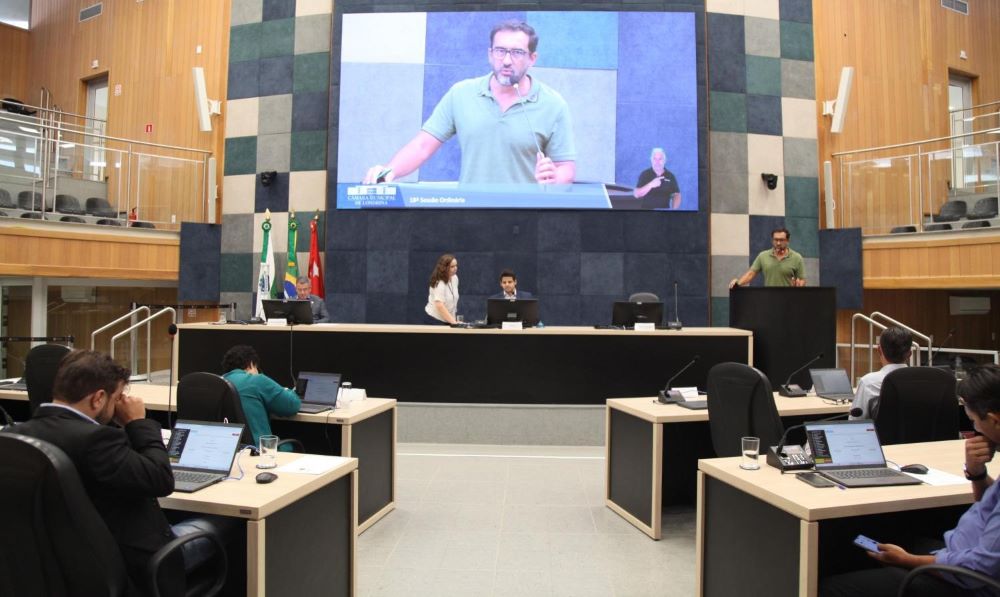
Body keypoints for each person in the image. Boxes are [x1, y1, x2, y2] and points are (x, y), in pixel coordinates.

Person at [4, 350, 225, 596]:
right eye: (117, 397)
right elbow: (161, 479)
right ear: (98, 398)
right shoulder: (97, 441)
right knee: (225, 523)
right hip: (134, 567)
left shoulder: (14, 437)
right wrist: (137, 423)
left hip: (53, 572)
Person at [820, 364, 1000, 597]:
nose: (974, 429)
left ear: (994, 421)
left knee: (828, 588)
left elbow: (979, 567)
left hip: (966, 582)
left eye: (974, 421)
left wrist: (907, 560)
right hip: (956, 552)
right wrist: (977, 473)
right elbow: (989, 505)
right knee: (872, 541)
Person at [363, 20, 576, 185]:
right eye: (500, 51)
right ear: (490, 54)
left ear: (532, 58)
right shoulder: (461, 94)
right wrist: (389, 171)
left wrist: (553, 178)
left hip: (526, 217)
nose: (507, 60)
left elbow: (566, 168)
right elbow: (422, 146)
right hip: (470, 214)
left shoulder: (553, 104)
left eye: (517, 52)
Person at [221, 345, 300, 450]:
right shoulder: (255, 380)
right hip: (259, 451)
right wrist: (286, 390)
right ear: (251, 364)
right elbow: (292, 405)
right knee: (293, 446)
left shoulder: (217, 383)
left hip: (227, 451)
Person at [850, 327, 912, 419]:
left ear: (879, 350)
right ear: (910, 354)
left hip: (881, 429)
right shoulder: (923, 382)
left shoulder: (869, 382)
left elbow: (856, 422)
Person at [730, 227, 806, 288]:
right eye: (776, 240)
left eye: (781, 240)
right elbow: (751, 274)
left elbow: (802, 280)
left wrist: (799, 285)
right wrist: (738, 283)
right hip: (769, 297)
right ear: (772, 240)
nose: (778, 243)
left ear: (787, 241)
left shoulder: (797, 257)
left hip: (788, 298)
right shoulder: (763, 256)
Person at [425, 254, 459, 324]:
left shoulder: (455, 278)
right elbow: (439, 305)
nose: (455, 268)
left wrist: (453, 320)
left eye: (456, 265)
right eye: (452, 266)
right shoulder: (439, 282)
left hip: (448, 319)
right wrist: (454, 322)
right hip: (436, 319)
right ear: (444, 268)